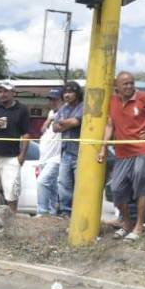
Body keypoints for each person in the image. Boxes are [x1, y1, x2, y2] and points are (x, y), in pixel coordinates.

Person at [102, 71, 145, 240]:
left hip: (143, 150)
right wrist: (103, 148)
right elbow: (110, 125)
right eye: (125, 84)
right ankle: (126, 222)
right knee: (116, 188)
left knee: (141, 189)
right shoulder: (112, 101)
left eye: (131, 83)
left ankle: (139, 225)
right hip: (122, 152)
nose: (129, 86)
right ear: (117, 85)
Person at [0, 82, 31, 212]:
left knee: (12, 195)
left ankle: (12, 221)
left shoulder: (22, 109)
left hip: (12, 157)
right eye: (0, 91)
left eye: (5, 91)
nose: (2, 94)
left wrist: (22, 156)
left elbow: (26, 134)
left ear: (13, 92)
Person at [54, 82, 85, 216]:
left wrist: (63, 123)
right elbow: (55, 128)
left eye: (70, 92)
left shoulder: (83, 106)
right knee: (64, 184)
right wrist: (67, 123)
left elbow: (77, 122)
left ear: (77, 93)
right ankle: (66, 213)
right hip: (66, 152)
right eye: (65, 92)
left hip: (80, 152)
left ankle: (80, 213)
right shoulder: (63, 108)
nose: (67, 95)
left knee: (80, 186)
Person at [35, 90, 63, 216]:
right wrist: (49, 120)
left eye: (55, 99)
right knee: (52, 187)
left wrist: (55, 119)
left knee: (42, 182)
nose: (52, 102)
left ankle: (42, 211)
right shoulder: (51, 113)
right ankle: (52, 213)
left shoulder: (65, 112)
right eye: (51, 99)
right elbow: (42, 130)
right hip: (44, 157)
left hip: (56, 157)